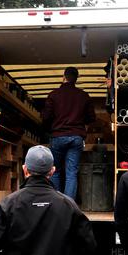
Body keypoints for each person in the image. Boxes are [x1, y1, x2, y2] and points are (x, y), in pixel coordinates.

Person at [42, 66, 96, 199]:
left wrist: (51, 129)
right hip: (76, 137)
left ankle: (57, 203)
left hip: (58, 137)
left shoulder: (53, 95)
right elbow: (91, 118)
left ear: (63, 77)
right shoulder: (84, 96)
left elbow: (45, 117)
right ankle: (69, 206)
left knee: (55, 172)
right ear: (76, 79)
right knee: (71, 173)